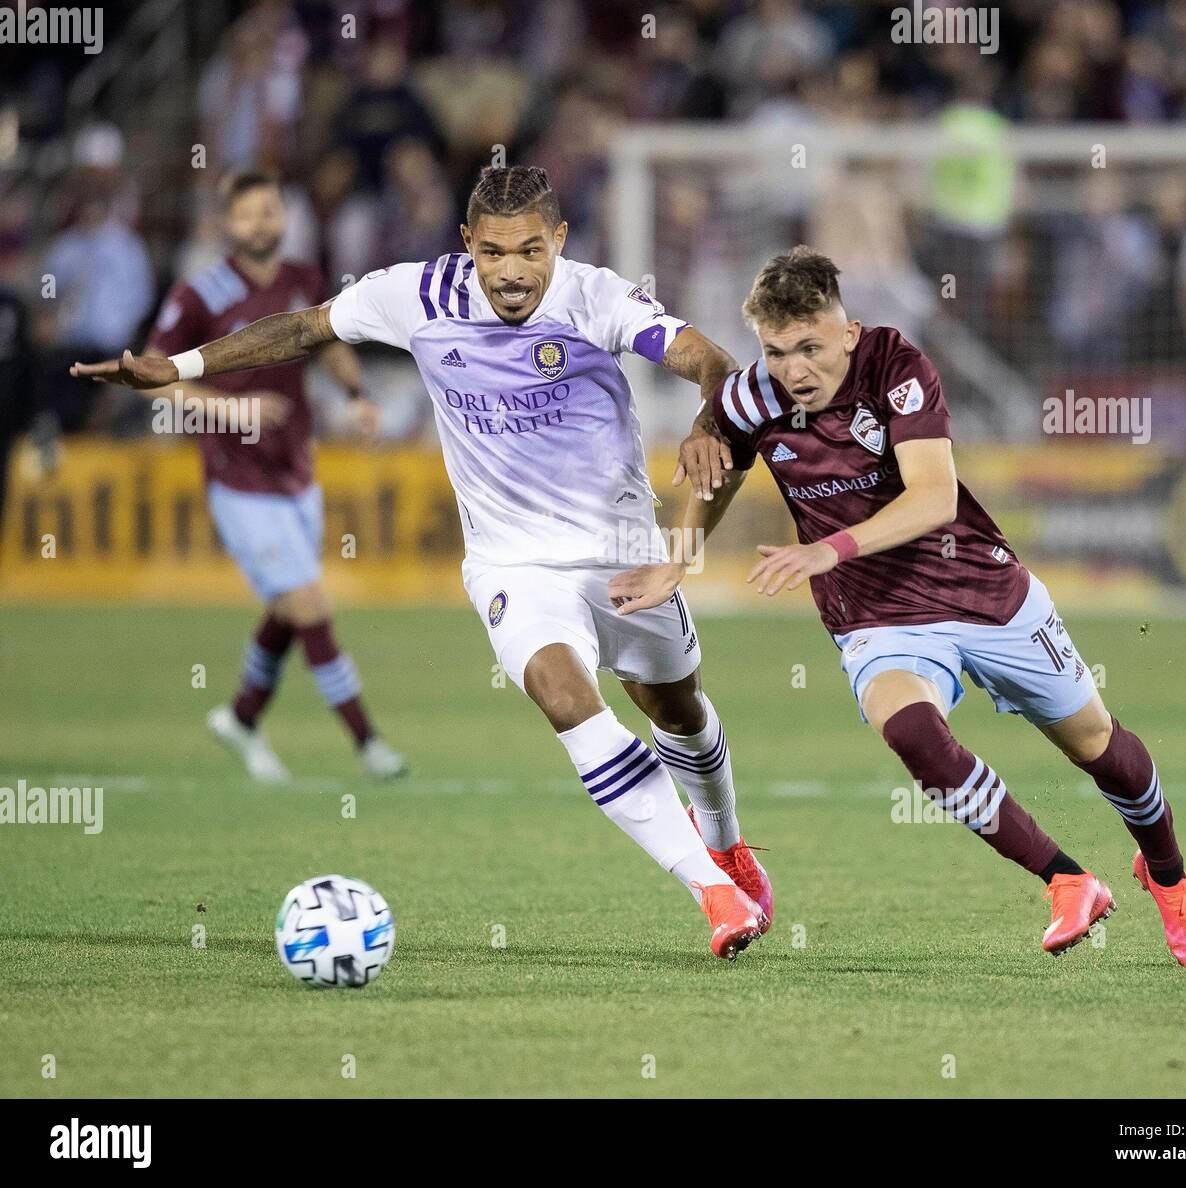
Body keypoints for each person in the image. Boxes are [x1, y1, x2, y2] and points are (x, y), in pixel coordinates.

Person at [72, 166, 772, 962]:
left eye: (532, 251)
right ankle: (710, 893)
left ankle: (728, 847)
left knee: (674, 708)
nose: (513, 271)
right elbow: (305, 328)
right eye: (496, 252)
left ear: (561, 243)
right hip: (511, 563)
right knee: (564, 695)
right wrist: (182, 368)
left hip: (621, 552)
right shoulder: (418, 296)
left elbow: (712, 361)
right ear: (468, 243)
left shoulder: (597, 297)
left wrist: (713, 421)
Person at [612, 246, 1186, 970]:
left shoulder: (896, 367)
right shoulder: (753, 397)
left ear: (847, 331)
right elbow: (721, 470)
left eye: (810, 347)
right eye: (776, 352)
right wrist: (678, 559)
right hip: (875, 617)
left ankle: (1170, 876)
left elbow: (932, 498)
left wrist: (826, 550)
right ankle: (1068, 880)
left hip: (981, 590)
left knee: (1098, 746)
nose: (794, 370)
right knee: (911, 732)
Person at [139, 171, 406, 782]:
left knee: (291, 604)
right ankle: (369, 745)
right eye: (248, 214)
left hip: (295, 465)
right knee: (308, 599)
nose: (261, 223)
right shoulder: (198, 294)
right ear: (227, 225)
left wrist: (357, 393)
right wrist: (235, 409)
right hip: (236, 474)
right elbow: (158, 378)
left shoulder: (302, 280)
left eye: (270, 211)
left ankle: (241, 717)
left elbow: (329, 340)